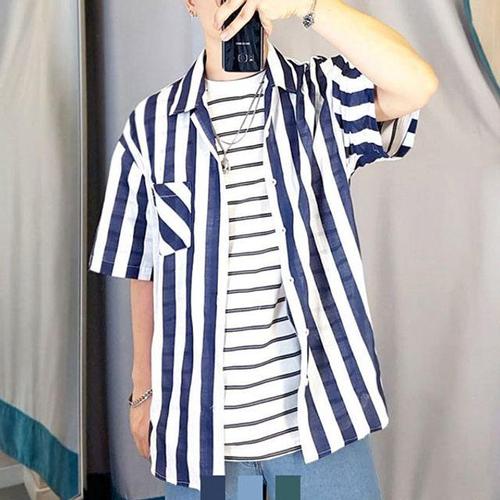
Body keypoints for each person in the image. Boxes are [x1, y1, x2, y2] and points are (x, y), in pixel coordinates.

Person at [88, 0, 438, 498]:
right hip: (204, 441)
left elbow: (415, 84)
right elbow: (141, 266)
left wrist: (308, 5)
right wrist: (142, 390)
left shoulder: (322, 97)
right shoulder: (150, 127)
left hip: (315, 433)